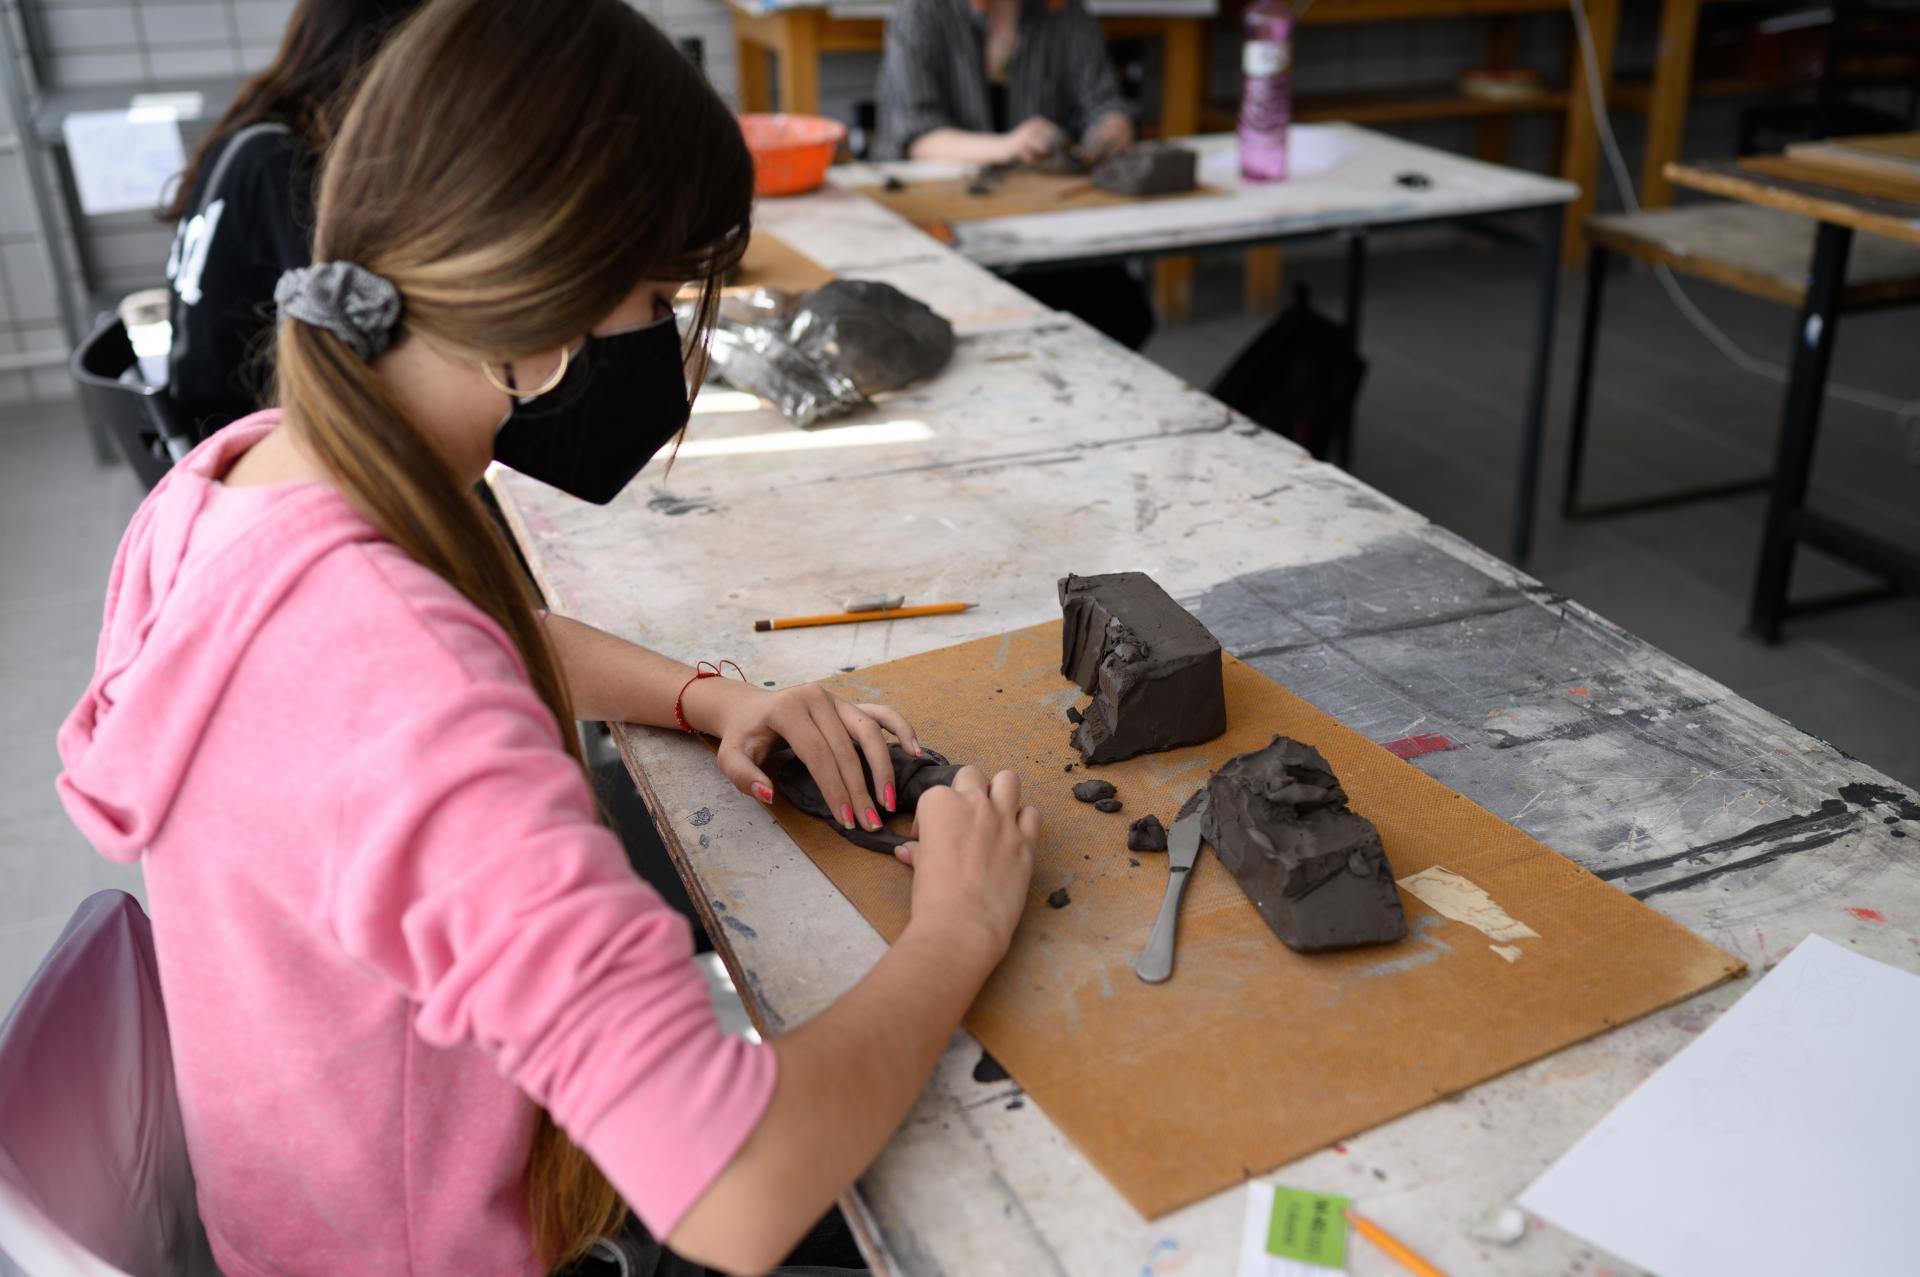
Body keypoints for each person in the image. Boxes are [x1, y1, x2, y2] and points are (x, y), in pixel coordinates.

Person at [57, 3, 1039, 1276]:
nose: (661, 334)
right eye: (659, 295)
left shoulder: (228, 494)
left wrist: (700, 697)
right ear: (553, 303)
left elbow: (449, 636)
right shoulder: (409, 688)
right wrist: (958, 925)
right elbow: (732, 1192)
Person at [161, 0, 423, 438]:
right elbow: (343, 314)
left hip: (207, 405)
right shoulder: (280, 163)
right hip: (245, 423)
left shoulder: (250, 136)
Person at [873, 0, 1156, 349]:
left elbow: (1104, 103)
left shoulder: (1063, 13)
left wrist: (1112, 127)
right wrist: (1009, 145)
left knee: (1124, 314)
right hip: (949, 221)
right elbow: (916, 135)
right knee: (964, 327)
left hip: (1043, 223)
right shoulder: (922, 13)